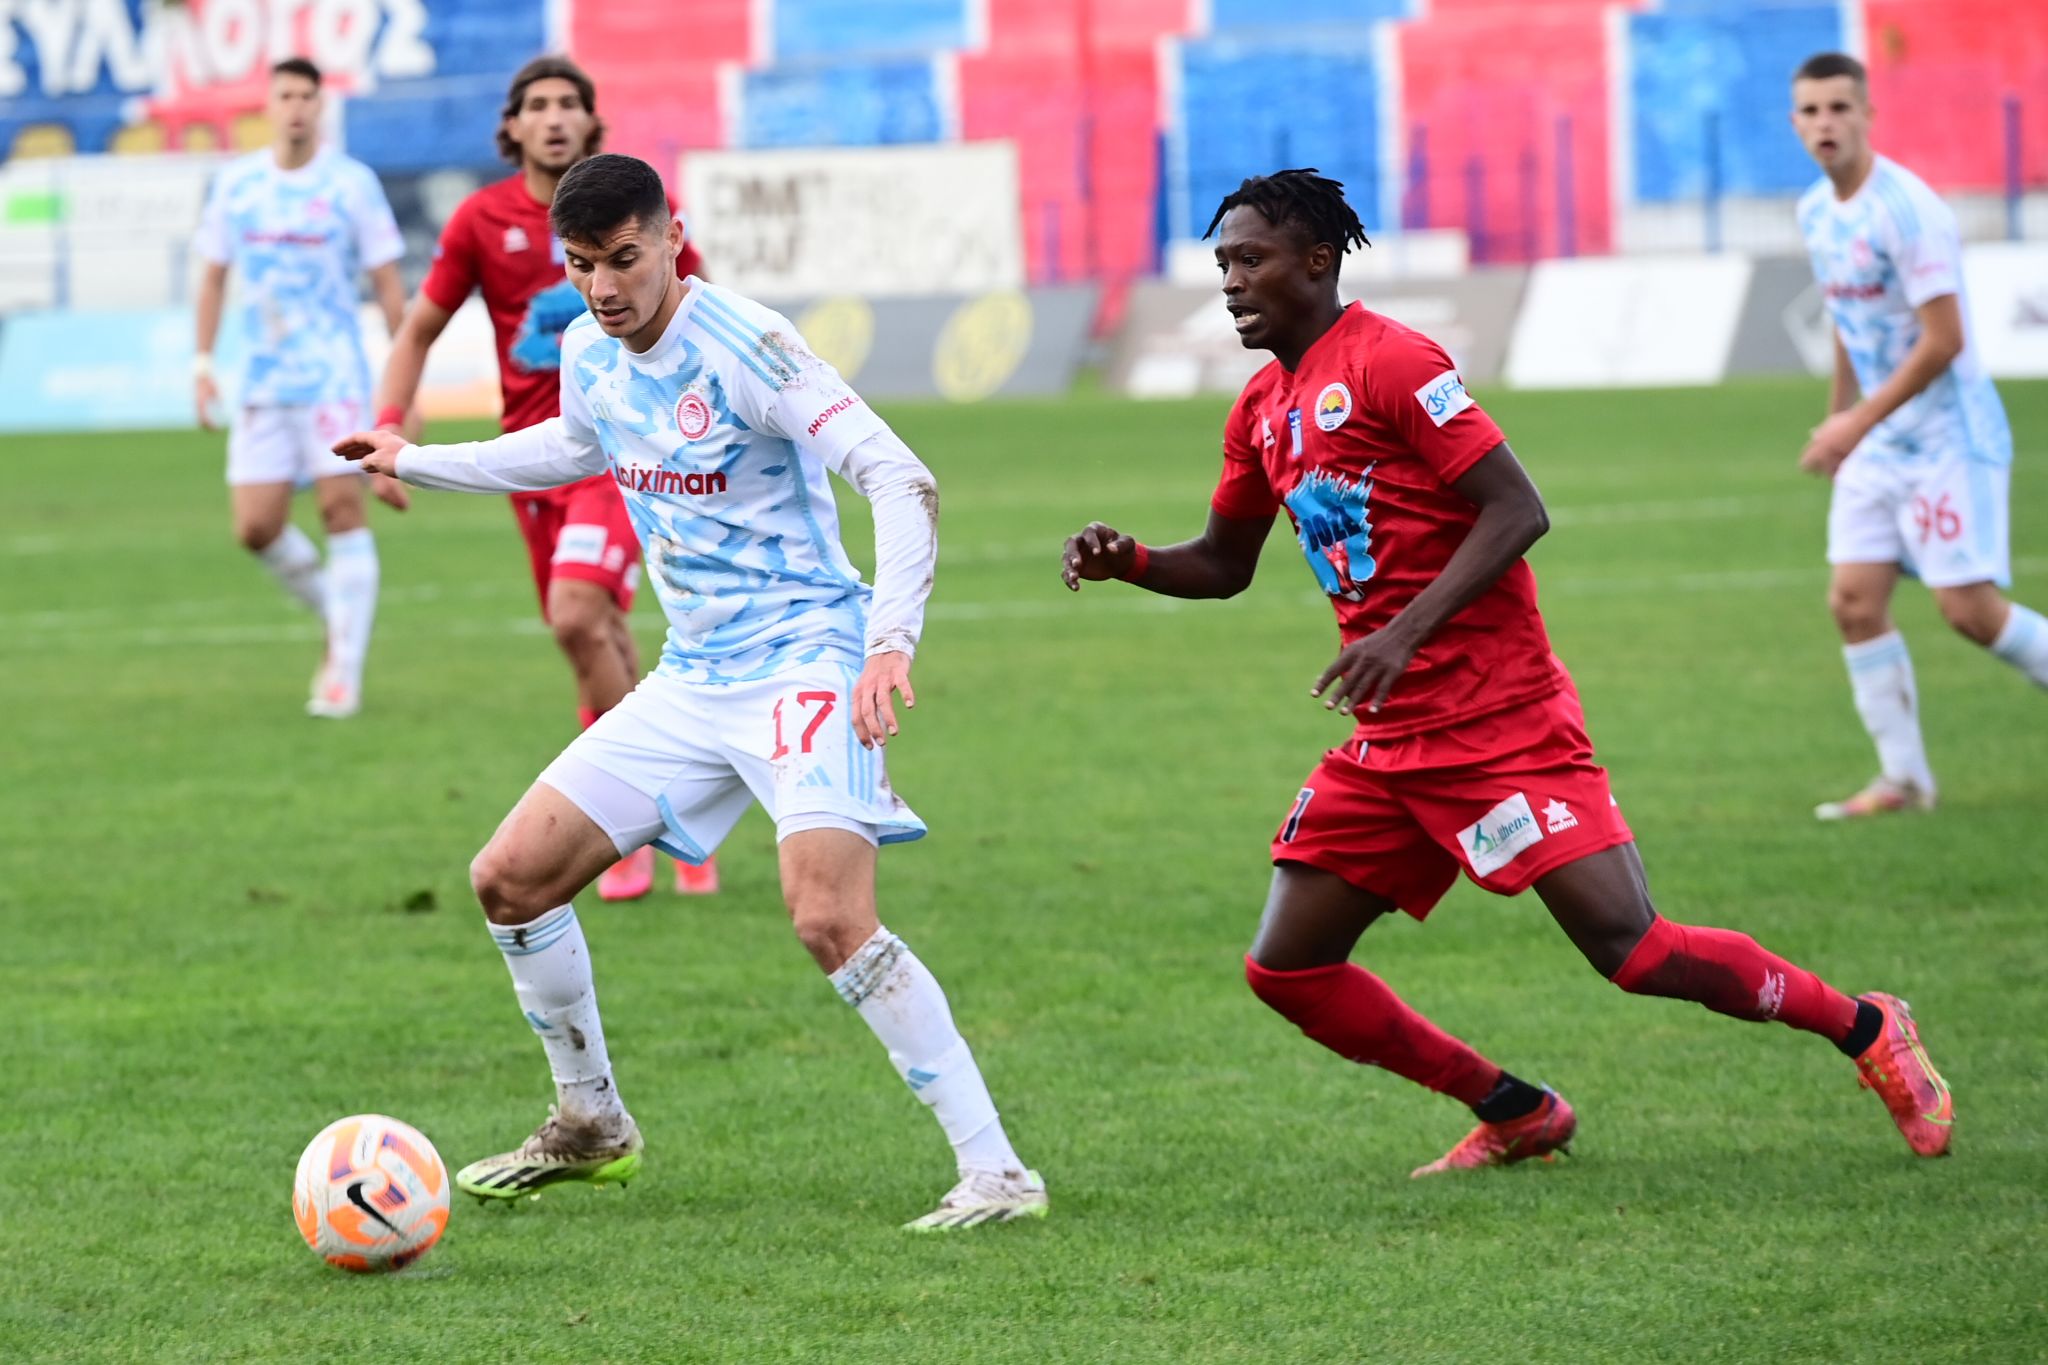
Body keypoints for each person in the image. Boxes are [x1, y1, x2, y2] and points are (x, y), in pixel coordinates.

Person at [1060, 169, 1952, 1176]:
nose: (1229, 281)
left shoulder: (1392, 361)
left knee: (1634, 951)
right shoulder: (1262, 410)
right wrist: (1133, 560)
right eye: (1222, 263)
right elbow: (1225, 564)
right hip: (1390, 740)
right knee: (1288, 968)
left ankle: (1866, 1025)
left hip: (1500, 722)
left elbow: (1517, 507)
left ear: (1315, 261)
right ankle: (1514, 1109)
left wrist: (1402, 633)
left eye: (1249, 259)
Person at [335, 153, 1047, 1230]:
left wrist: (887, 642)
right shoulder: (588, 348)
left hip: (807, 658)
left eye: (623, 259)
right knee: (510, 880)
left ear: (672, 238)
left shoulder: (749, 347)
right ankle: (589, 1120)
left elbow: (900, 477)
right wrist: (415, 460)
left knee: (828, 915)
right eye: (581, 266)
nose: (603, 288)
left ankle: (997, 1172)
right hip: (694, 676)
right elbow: (572, 446)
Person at [374, 55, 717, 899]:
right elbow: (418, 329)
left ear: (592, 121)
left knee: (576, 615)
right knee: (598, 634)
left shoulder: (635, 209)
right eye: (538, 105)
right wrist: (391, 423)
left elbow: (705, 313)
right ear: (513, 126)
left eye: (570, 103)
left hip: (622, 452)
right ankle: (678, 807)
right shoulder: (481, 220)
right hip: (532, 462)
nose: (555, 117)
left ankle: (627, 822)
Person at [1791, 51, 2048, 820]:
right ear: (1796, 123)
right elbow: (1847, 318)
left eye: (1840, 108)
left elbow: (1944, 341)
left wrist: (1854, 422)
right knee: (1853, 601)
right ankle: (1903, 782)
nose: (1826, 123)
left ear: (1868, 115)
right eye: (1811, 111)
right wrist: (1840, 418)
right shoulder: (1815, 210)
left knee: (1969, 611)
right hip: (1876, 441)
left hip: (1947, 439)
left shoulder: (1908, 211)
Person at [193, 56, 409, 718]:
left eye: (306, 96)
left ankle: (343, 672)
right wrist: (202, 362)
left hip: (333, 379)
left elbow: (388, 283)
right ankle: (338, 617)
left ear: (320, 106)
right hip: (262, 379)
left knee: (342, 512)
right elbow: (213, 275)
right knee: (256, 527)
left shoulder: (351, 184)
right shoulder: (238, 185)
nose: (295, 106)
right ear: (269, 105)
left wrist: (405, 384)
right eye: (285, 95)